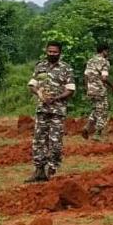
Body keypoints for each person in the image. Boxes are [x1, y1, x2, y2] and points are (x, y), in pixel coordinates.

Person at [26, 41, 76, 181]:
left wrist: (56, 98)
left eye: (55, 52)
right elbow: (32, 85)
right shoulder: (40, 66)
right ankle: (39, 170)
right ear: (46, 51)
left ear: (60, 52)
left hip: (57, 111)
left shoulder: (66, 68)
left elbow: (70, 90)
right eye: (50, 51)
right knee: (38, 140)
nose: (52, 54)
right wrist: (40, 94)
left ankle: (51, 170)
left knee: (55, 142)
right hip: (42, 109)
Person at [81, 44, 113, 139]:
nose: (108, 54)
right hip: (100, 90)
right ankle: (98, 133)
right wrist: (112, 86)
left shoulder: (90, 61)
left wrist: (87, 89)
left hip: (91, 90)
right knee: (104, 110)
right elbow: (104, 78)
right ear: (104, 51)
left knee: (96, 109)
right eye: (107, 51)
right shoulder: (104, 62)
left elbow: (85, 76)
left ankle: (87, 127)